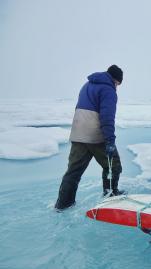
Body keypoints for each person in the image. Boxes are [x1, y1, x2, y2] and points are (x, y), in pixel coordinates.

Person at [55, 65, 126, 210]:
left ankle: (63, 205)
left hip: (78, 132)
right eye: (118, 84)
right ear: (115, 80)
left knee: (73, 171)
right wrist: (110, 140)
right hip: (95, 133)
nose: (117, 87)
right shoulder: (108, 89)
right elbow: (107, 117)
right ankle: (110, 197)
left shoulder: (86, 85)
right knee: (113, 165)